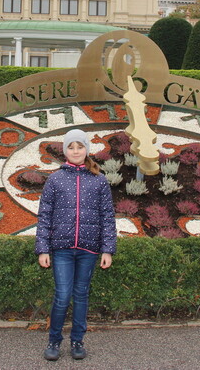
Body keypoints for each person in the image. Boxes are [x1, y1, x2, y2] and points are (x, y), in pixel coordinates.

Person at [35, 129, 117, 361]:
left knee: (81, 295)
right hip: (61, 249)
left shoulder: (99, 180)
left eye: (80, 147)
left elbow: (107, 217)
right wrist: (42, 248)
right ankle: (54, 340)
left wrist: (108, 249)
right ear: (65, 151)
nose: (76, 151)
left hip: (89, 249)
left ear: (86, 150)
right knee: (62, 295)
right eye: (71, 147)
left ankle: (77, 341)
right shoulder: (55, 179)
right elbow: (45, 215)